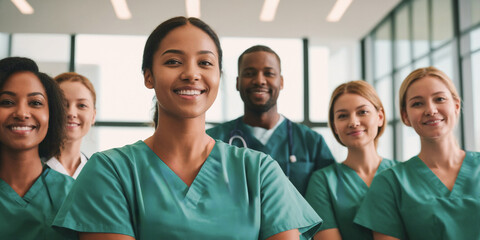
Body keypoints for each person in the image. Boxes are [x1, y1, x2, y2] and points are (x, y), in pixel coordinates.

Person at [52, 16, 322, 240]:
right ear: (148, 76)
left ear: (219, 77)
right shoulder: (110, 171)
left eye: (205, 62)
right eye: (173, 61)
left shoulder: (260, 171)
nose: (192, 73)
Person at [354, 66, 480, 239]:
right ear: (405, 116)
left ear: (456, 106)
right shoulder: (390, 184)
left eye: (440, 99)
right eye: (417, 103)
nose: (431, 110)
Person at [207, 45, 334, 195]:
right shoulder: (211, 140)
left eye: (269, 73)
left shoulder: (311, 142)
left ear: (281, 82)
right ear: (237, 82)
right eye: (249, 73)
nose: (259, 80)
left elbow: (327, 202)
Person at [305, 80, 398, 240]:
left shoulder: (403, 174)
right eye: (342, 116)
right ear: (334, 126)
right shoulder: (323, 182)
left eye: (362, 112)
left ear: (380, 117)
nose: (353, 122)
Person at [0, 57, 75, 239]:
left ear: (51, 115)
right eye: (7, 102)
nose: (22, 113)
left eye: (35, 103)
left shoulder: (74, 194)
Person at [46, 72, 96, 179]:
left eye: (82, 105)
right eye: (63, 105)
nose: (71, 113)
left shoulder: (99, 172)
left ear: (93, 116)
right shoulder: (32, 170)